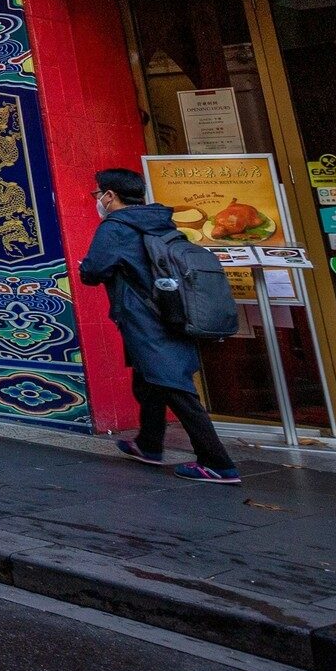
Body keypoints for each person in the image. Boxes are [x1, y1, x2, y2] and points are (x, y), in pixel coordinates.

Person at [79, 168, 241, 484]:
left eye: (98, 195)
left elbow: (93, 271)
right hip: (173, 311)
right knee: (149, 380)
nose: (98, 201)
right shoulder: (157, 220)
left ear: (110, 196)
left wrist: (88, 268)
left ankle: (218, 462)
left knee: (175, 387)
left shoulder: (115, 227)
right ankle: (149, 444)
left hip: (145, 319)